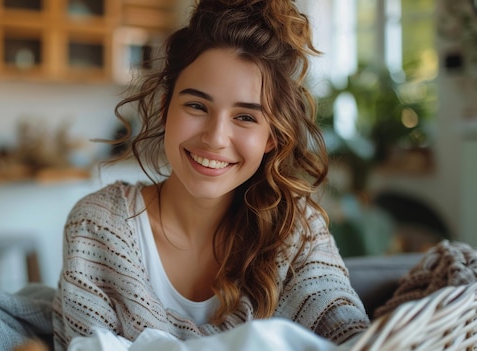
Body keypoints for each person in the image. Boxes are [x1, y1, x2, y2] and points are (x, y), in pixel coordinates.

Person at [52, 0, 371, 349]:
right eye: (197, 106)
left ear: (273, 136)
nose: (215, 139)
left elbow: (349, 333)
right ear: (165, 109)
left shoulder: (295, 230)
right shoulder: (97, 227)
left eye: (246, 117)